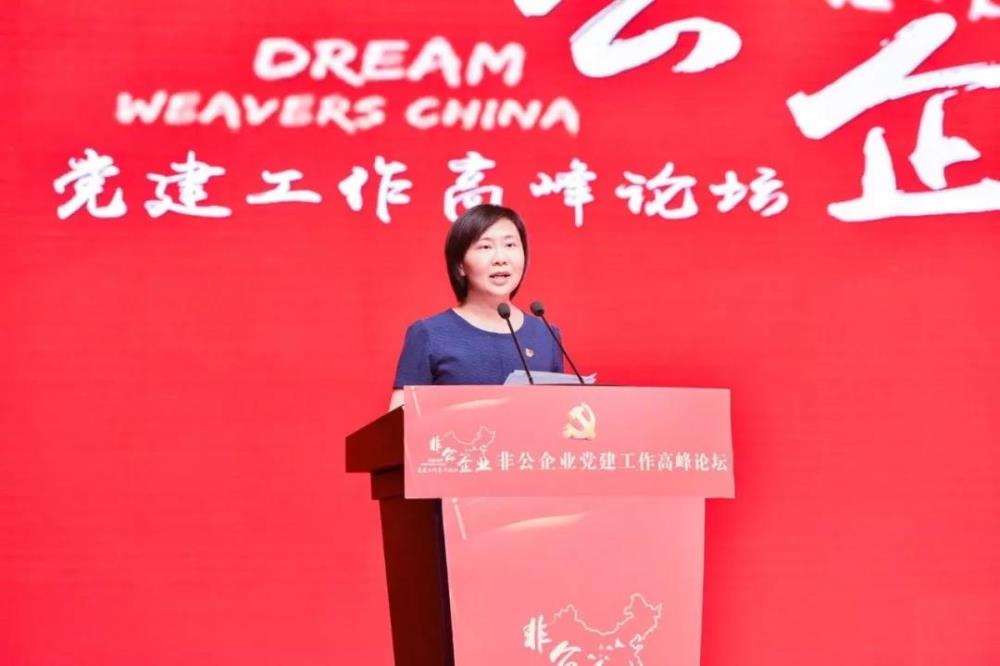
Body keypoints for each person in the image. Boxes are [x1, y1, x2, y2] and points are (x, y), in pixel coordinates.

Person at [388, 204, 564, 410]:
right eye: (485, 247)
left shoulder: (546, 335)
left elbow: (559, 414)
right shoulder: (430, 334)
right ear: (460, 265)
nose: (501, 259)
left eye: (510, 245)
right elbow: (398, 422)